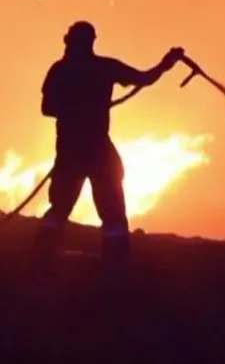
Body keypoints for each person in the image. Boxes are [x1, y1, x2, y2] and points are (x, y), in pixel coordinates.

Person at [32, 20, 185, 269]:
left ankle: (41, 257)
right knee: (108, 210)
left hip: (72, 151)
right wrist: (166, 65)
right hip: (94, 150)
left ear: (69, 42)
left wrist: (166, 64)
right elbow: (143, 78)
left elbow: (47, 108)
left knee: (61, 208)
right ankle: (116, 263)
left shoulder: (61, 70)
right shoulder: (101, 68)